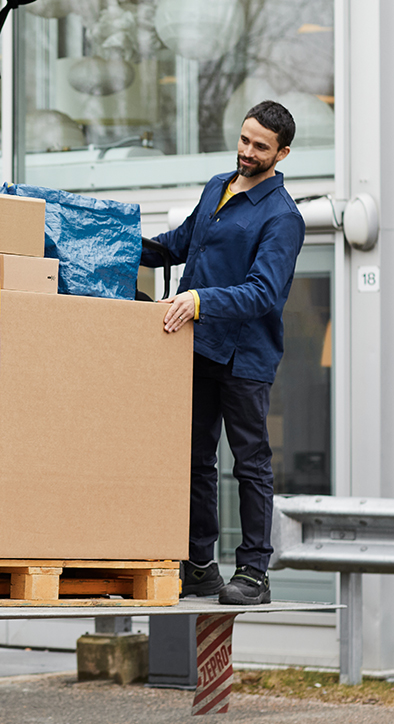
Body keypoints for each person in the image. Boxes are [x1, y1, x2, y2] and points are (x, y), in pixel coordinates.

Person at [141, 100, 305, 605]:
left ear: (282, 153)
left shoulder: (283, 217)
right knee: (195, 459)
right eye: (244, 139)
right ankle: (199, 564)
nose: (248, 152)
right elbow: (179, 244)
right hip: (198, 346)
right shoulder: (218, 186)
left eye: (261, 146)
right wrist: (115, 244)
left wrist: (197, 300)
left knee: (250, 462)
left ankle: (254, 571)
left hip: (245, 357)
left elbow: (263, 294)